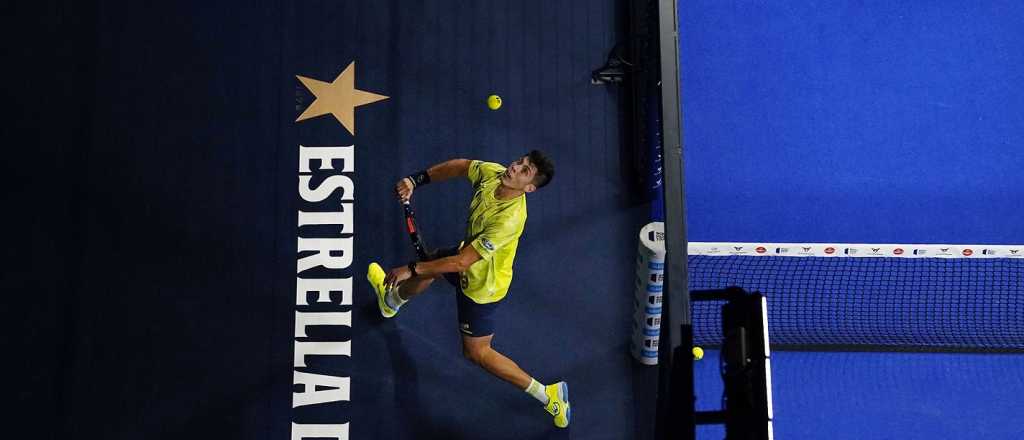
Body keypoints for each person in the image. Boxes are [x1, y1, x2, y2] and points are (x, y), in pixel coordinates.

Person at [366, 151, 570, 428]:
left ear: (529, 188)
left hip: (482, 287)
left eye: (525, 171)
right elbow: (462, 166)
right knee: (433, 263)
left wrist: (410, 269)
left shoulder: (509, 220)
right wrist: (417, 180)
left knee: (477, 352)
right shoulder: (494, 174)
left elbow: (462, 263)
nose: (516, 167)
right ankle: (390, 300)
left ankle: (548, 396)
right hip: (467, 257)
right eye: (520, 161)